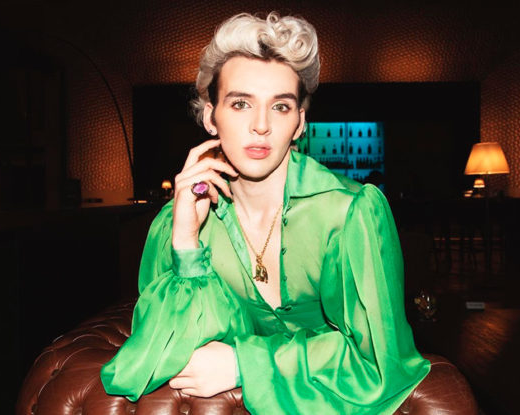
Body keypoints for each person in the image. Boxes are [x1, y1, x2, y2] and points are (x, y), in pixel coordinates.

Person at [101, 12, 430, 414]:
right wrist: (187, 246)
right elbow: (149, 359)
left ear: (300, 123)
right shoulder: (174, 224)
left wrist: (244, 363)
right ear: (210, 116)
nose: (261, 125)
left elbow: (381, 359)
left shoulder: (351, 213)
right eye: (241, 104)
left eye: (280, 106)